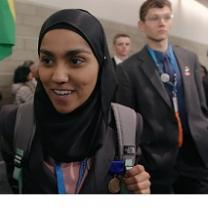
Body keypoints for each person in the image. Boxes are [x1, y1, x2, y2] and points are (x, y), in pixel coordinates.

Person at [0, 9, 150, 194]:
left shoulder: (127, 126)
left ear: (101, 66)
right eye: (47, 60)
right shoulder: (13, 123)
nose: (58, 76)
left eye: (76, 60)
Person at [115, 0, 208, 194]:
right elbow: (126, 126)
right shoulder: (128, 70)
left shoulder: (189, 58)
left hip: (196, 158)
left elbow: (201, 107)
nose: (162, 23)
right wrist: (129, 167)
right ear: (142, 25)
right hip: (156, 163)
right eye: (155, 18)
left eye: (167, 17)